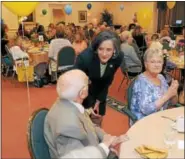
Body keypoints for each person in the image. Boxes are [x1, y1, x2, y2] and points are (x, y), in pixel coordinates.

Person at [44, 69, 127, 158]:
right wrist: (104, 147)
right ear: (82, 93)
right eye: (88, 84)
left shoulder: (67, 103)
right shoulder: (68, 127)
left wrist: (106, 137)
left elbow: (89, 126)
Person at [74, 31, 122, 126]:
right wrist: (86, 105)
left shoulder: (118, 57)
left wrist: (99, 100)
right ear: (96, 48)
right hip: (81, 92)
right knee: (82, 126)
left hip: (100, 90)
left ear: (115, 50)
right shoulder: (85, 58)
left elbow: (108, 80)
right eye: (100, 49)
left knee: (97, 124)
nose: (104, 54)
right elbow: (74, 83)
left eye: (109, 50)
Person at [130, 48, 179, 125]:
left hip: (161, 118)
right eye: (152, 62)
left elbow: (172, 103)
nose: (156, 65)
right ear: (146, 64)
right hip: (143, 122)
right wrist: (167, 95)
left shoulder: (161, 78)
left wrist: (174, 92)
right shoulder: (141, 81)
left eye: (159, 62)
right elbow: (145, 110)